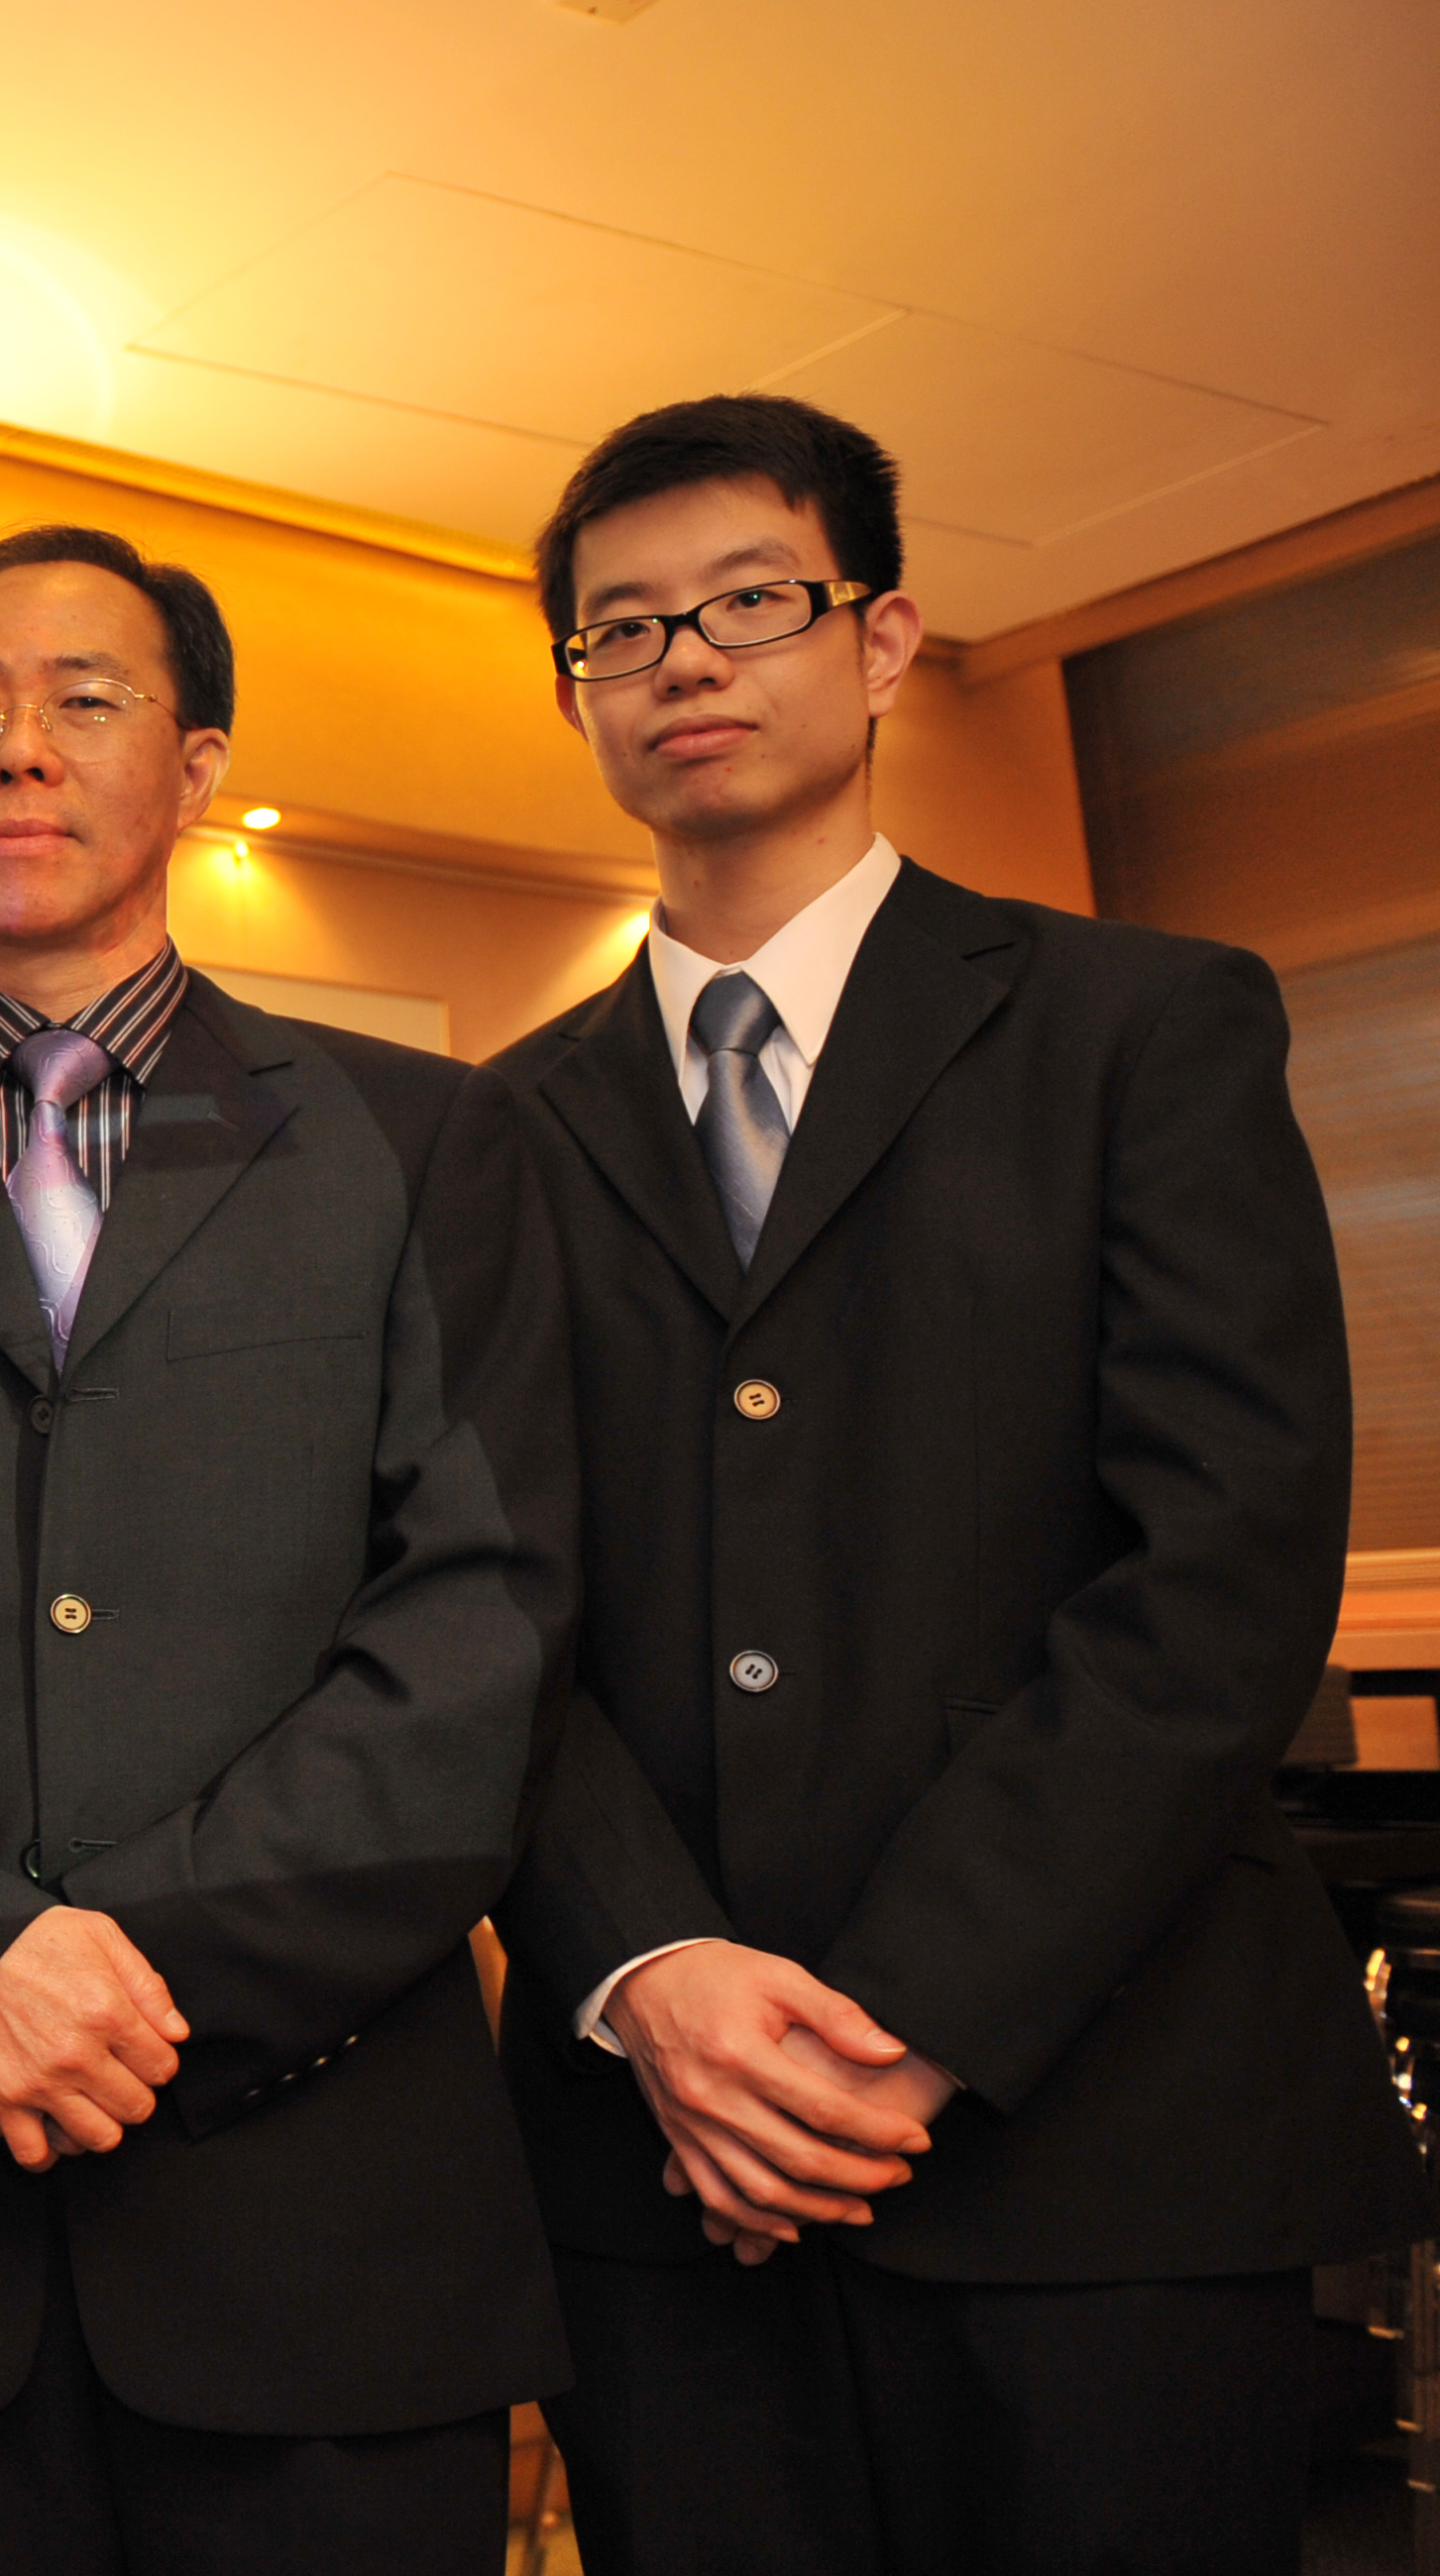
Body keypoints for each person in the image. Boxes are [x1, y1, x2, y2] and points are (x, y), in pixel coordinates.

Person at [486, 392, 1415, 2576]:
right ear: (580, 697)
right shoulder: (484, 1134)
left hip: (1097, 2129)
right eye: (620, 631)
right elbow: (472, 1604)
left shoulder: (1142, 1025)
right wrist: (654, 1981)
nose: (683, 660)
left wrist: (905, 2025)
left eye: (748, 602)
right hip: (663, 2147)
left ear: (884, 639)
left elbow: (1223, 1556)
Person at [0, 525, 577, 2573]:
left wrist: (131, 1973)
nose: (16, 751)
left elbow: (477, 1615)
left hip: (319, 2197)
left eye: (84, 701)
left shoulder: (420, 1139)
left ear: (201, 761)